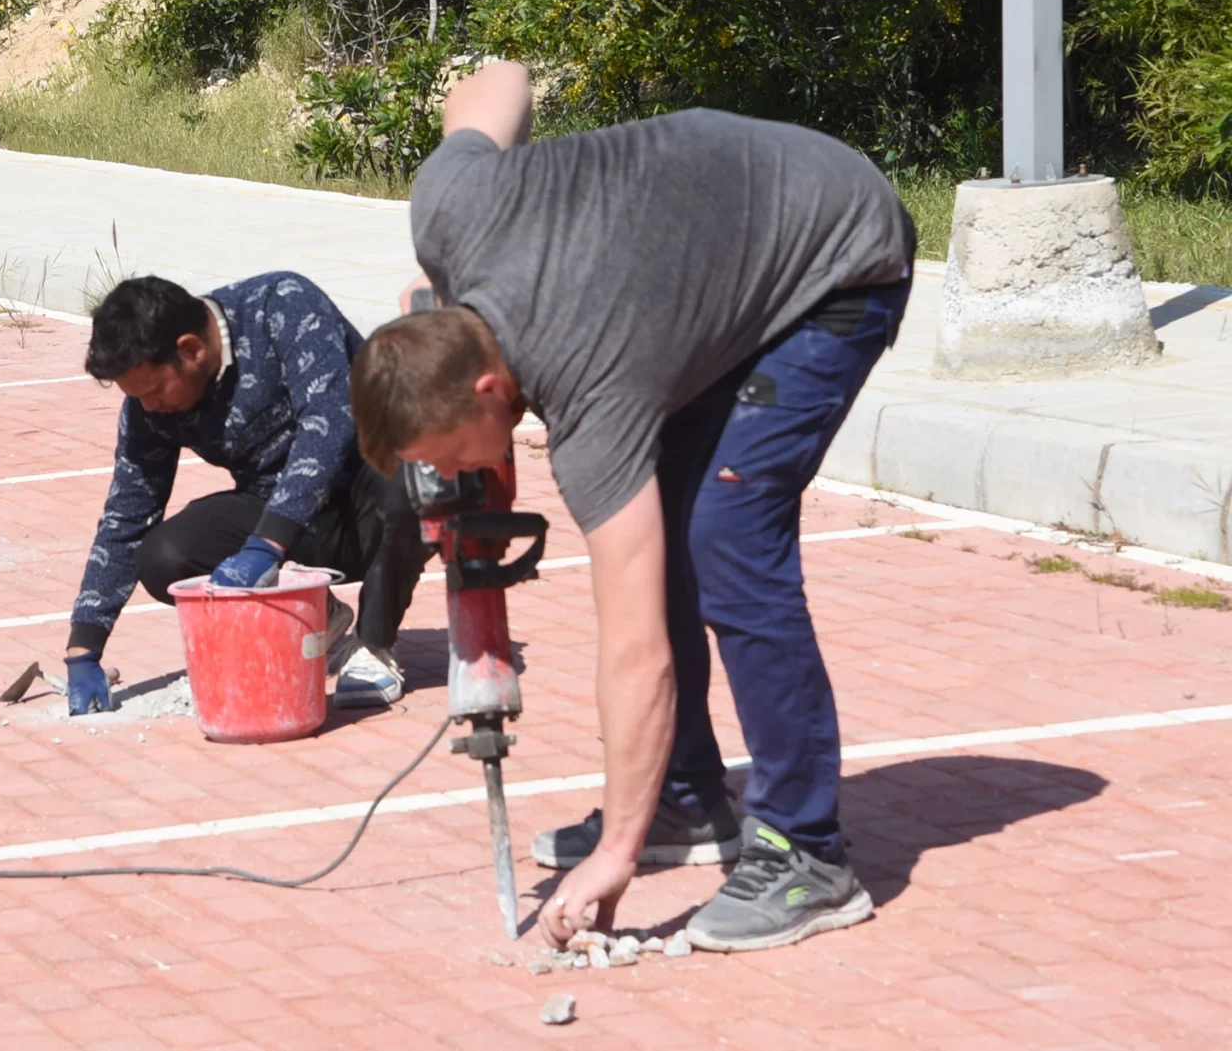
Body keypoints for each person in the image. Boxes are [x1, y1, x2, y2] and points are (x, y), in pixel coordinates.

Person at [349, 61, 915, 953]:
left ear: (489, 387)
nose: (455, 475)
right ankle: (681, 799)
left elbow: (635, 646)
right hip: (708, 252)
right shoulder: (448, 206)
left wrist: (612, 853)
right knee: (677, 523)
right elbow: (498, 77)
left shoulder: (591, 390)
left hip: (833, 256)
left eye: (452, 455)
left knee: (725, 534)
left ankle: (807, 852)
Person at [64, 273, 431, 717]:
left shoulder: (282, 307)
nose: (149, 407)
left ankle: (374, 644)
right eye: (137, 397)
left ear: (191, 350)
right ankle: (316, 615)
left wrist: (267, 545)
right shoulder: (151, 406)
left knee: (417, 479)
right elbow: (128, 513)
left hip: (370, 497)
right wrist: (84, 647)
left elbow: (328, 426)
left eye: (155, 390)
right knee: (164, 556)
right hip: (282, 519)